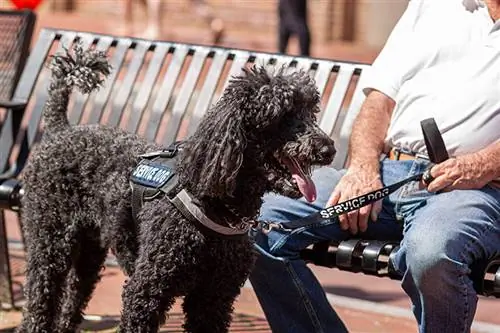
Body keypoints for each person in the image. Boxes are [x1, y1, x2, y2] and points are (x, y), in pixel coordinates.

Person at [249, 0, 500, 332]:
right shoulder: (433, 5)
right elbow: (379, 101)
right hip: (388, 173)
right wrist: (363, 169)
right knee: (256, 219)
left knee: (430, 254)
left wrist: (482, 163)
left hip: (472, 189)